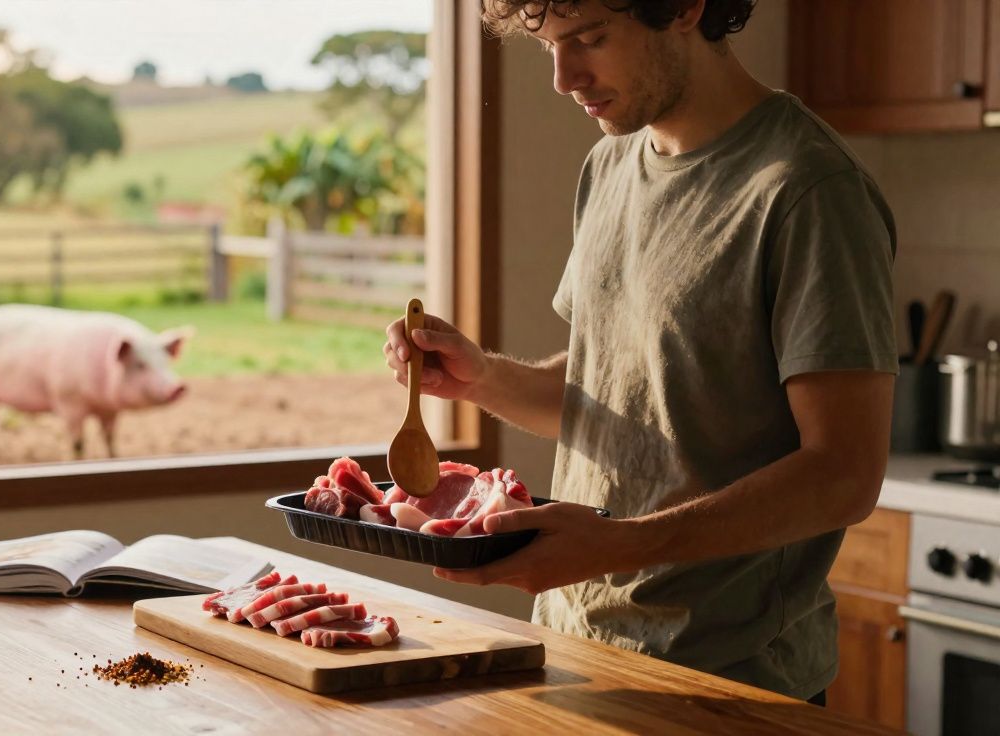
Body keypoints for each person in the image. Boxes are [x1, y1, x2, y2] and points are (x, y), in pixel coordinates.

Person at [383, 0, 897, 704]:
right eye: (548, 48)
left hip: (730, 681)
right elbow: (624, 389)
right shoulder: (610, 164)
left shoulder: (808, 189)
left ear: (686, 8)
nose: (564, 77)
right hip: (573, 648)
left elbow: (844, 474)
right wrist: (483, 379)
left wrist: (620, 545)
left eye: (590, 39)